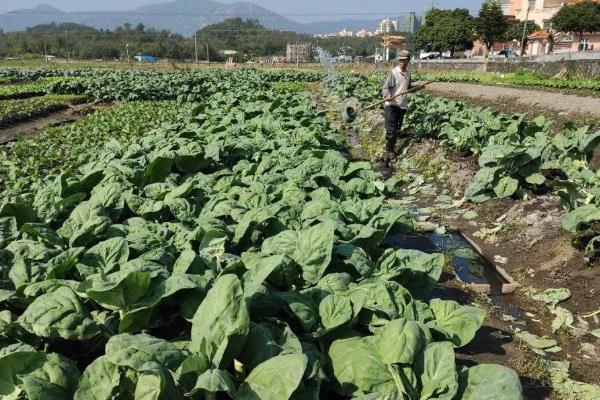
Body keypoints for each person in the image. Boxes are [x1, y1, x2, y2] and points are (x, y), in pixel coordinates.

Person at [381, 50, 427, 168]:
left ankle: (392, 146)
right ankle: (390, 152)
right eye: (400, 60)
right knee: (391, 130)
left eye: (404, 60)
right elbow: (385, 88)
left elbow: (409, 87)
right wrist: (387, 95)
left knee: (397, 129)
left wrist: (419, 87)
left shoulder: (407, 74)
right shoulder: (393, 73)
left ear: (408, 60)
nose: (401, 62)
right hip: (391, 105)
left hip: (402, 106)